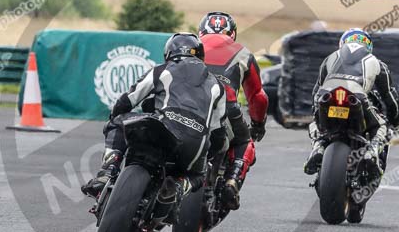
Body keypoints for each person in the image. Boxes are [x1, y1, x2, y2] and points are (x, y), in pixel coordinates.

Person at [81, 33, 227, 205]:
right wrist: (205, 156)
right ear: (201, 55)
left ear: (169, 53)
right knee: (198, 174)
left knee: (119, 121)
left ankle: (107, 172)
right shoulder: (218, 85)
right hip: (195, 142)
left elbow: (128, 100)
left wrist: (114, 118)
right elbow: (218, 134)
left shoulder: (163, 70)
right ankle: (179, 186)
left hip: (166, 129)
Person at [304, 28, 399, 176]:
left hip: (326, 96)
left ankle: (318, 147)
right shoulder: (376, 62)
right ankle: (372, 152)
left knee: (314, 123)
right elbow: (388, 95)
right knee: (382, 125)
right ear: (369, 46)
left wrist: (315, 111)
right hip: (356, 98)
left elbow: (316, 90)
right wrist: (395, 119)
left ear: (342, 43)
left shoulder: (330, 57)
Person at [197, 11, 268, 210]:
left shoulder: (190, 46)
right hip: (226, 106)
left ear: (201, 31)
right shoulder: (243, 53)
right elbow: (257, 96)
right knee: (245, 142)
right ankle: (232, 180)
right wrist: (258, 124)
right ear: (233, 33)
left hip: (188, 103)